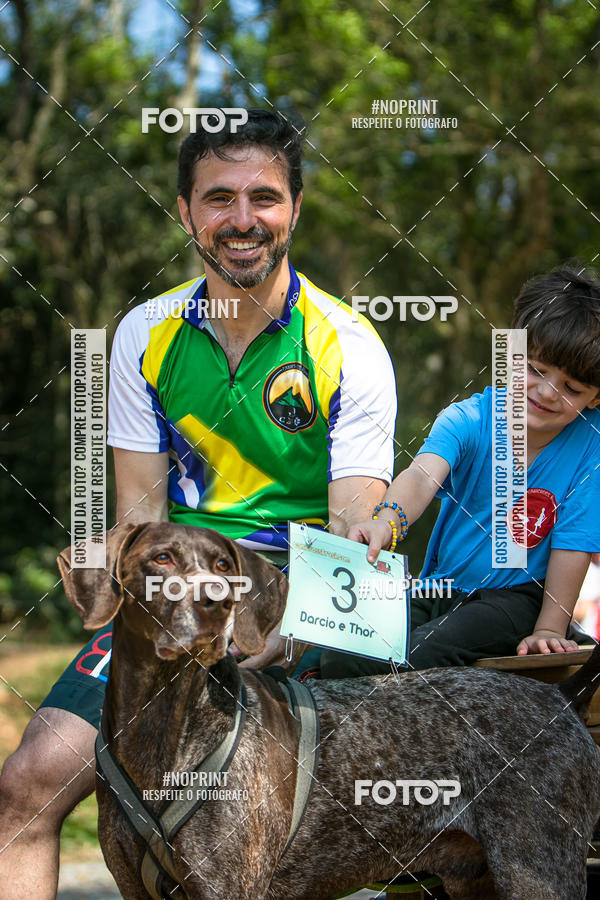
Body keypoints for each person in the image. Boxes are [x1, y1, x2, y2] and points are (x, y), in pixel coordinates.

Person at [0, 109, 397, 898]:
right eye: (219, 199)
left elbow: (356, 527)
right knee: (25, 786)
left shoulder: (351, 343)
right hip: (174, 577)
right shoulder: (144, 333)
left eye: (264, 198)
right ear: (186, 213)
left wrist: (282, 625)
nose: (242, 219)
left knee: (333, 811)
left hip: (299, 588)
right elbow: (140, 518)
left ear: (295, 209)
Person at [321, 265, 600, 678]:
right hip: (440, 588)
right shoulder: (469, 419)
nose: (546, 392)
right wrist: (385, 523)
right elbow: (421, 477)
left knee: (420, 654)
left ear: (595, 398)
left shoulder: (591, 451)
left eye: (571, 388)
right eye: (536, 370)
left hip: (515, 600)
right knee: (345, 651)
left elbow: (573, 544)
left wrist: (548, 627)